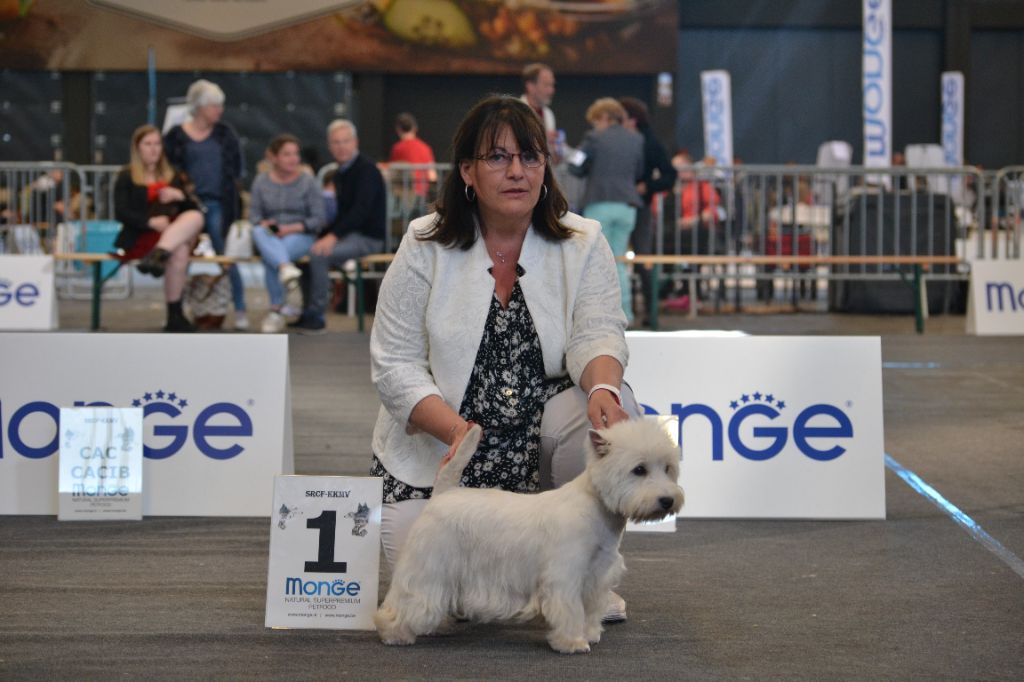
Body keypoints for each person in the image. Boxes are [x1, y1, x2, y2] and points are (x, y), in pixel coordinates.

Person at [369, 95, 640, 622]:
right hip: (445, 447)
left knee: (613, 401)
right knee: (435, 602)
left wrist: (605, 388)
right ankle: (546, 577)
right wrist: (453, 432)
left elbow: (599, 332)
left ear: (546, 167)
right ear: (467, 171)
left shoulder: (584, 241)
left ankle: (586, 572)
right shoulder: (424, 243)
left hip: (539, 446)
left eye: (530, 156)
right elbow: (393, 364)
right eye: (497, 158)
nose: (517, 171)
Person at [163, 79, 247, 330]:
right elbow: (169, 170)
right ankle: (175, 310)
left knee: (225, 257)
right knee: (179, 255)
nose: (219, 111)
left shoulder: (225, 134)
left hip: (219, 204)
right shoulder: (176, 136)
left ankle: (241, 309)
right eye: (214, 105)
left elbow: (237, 169)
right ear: (199, 107)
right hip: (187, 207)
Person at [291, 119, 386, 332]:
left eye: (345, 141)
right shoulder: (341, 172)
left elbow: (360, 212)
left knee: (318, 254)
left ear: (356, 142)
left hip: (368, 238)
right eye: (336, 142)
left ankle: (317, 317)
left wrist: (331, 237)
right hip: (349, 234)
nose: (341, 146)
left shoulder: (367, 170)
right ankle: (307, 311)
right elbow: (344, 215)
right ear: (329, 145)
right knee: (307, 253)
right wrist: (324, 234)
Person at [113, 124, 205, 332]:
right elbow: (120, 212)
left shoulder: (172, 176)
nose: (154, 149)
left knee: (194, 218)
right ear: (137, 148)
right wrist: (149, 222)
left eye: (157, 144)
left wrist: (179, 196)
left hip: (168, 237)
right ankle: (175, 312)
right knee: (180, 249)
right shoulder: (127, 176)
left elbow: (194, 209)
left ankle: (159, 257)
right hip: (140, 234)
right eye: (148, 144)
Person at [570, 98, 645, 325]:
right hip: (627, 207)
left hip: (599, 204)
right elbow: (639, 170)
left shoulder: (594, 138)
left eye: (595, 121)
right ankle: (626, 314)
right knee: (619, 262)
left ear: (603, 117)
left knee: (595, 262)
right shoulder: (636, 139)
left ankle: (597, 316)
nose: (594, 126)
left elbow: (575, 165)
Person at [248, 134, 325, 334]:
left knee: (270, 257)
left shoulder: (308, 182)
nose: (293, 159)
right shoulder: (261, 181)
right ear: (273, 157)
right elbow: (254, 215)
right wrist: (265, 223)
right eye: (286, 154)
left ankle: (276, 310)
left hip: (300, 235)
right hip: (270, 234)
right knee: (258, 232)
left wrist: (290, 229)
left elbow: (318, 219)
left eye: (296, 154)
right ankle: (285, 268)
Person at [619, 97, 677, 326]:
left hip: (639, 206)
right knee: (639, 258)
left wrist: (647, 186)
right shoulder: (633, 139)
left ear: (632, 120)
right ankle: (645, 311)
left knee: (642, 259)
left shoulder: (649, 142)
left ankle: (650, 311)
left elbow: (669, 175)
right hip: (632, 204)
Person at [388, 112, 437, 217]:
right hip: (422, 195)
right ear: (415, 128)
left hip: (404, 197)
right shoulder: (425, 148)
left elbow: (393, 174)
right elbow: (432, 175)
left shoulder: (397, 149)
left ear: (398, 129)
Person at [520, 62, 557, 150]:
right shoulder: (514, 112)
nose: (551, 91)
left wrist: (557, 150)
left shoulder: (549, 114)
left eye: (552, 85)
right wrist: (544, 138)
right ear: (530, 86)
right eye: (546, 85)